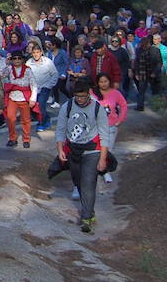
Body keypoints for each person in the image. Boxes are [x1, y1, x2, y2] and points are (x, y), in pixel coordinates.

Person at [56, 79, 110, 234]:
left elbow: (104, 134)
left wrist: (102, 158)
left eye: (83, 96)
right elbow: (60, 130)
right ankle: (89, 210)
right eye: (77, 96)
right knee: (78, 182)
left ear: (88, 94)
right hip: (73, 150)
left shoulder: (97, 108)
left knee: (88, 183)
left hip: (92, 151)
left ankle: (86, 218)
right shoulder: (67, 107)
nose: (80, 99)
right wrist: (60, 149)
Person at [91, 72, 127, 183]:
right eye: (101, 82)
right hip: (95, 127)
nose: (103, 84)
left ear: (109, 82)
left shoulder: (115, 93)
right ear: (97, 83)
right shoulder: (92, 93)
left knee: (108, 150)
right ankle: (98, 170)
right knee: (95, 150)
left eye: (105, 81)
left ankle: (105, 171)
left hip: (111, 126)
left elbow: (123, 105)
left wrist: (120, 120)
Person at [3, 50, 37, 148]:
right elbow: (1, 75)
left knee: (26, 119)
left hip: (24, 97)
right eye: (14, 58)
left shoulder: (27, 70)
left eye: (19, 58)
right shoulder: (9, 69)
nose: (17, 60)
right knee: (10, 118)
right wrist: (6, 63)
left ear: (22, 60)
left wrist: (33, 99)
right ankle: (12, 138)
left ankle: (26, 138)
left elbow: (33, 84)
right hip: (12, 96)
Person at [27, 45, 58, 132]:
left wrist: (49, 85)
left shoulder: (47, 62)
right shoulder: (29, 63)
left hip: (45, 87)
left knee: (41, 105)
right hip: (33, 89)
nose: (36, 54)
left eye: (37, 52)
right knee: (32, 106)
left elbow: (55, 74)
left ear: (41, 53)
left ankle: (42, 123)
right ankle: (46, 118)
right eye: (34, 53)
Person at [133, 35, 162, 111]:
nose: (145, 46)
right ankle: (140, 106)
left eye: (146, 44)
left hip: (152, 72)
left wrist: (155, 73)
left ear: (149, 43)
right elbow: (136, 62)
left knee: (155, 91)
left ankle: (157, 106)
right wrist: (136, 73)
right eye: (143, 45)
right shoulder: (139, 50)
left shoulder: (155, 50)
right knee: (141, 90)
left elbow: (159, 63)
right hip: (142, 73)